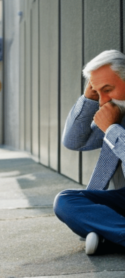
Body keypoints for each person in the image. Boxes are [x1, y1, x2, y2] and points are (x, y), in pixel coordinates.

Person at [54, 49, 125, 255]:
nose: (103, 101)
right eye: (97, 91)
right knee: (65, 201)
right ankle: (112, 234)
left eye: (108, 89)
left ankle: (108, 234)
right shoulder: (117, 110)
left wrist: (112, 131)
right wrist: (89, 98)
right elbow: (74, 141)